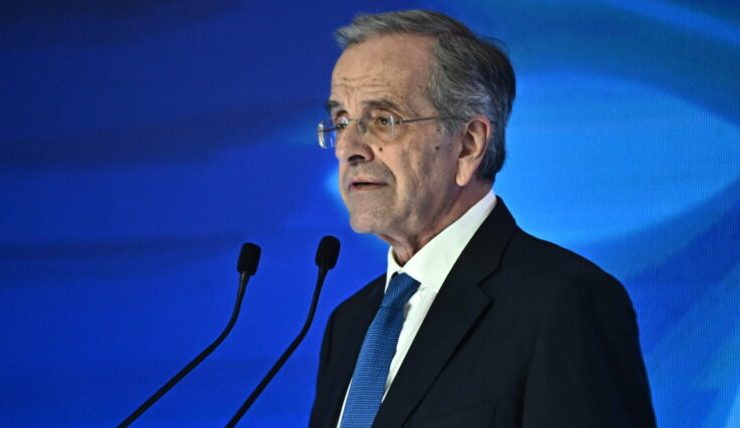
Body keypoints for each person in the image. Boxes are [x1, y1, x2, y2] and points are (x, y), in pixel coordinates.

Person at [310, 10, 655, 427]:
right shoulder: (348, 324)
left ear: (468, 145)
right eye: (341, 121)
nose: (347, 147)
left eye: (384, 120)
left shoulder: (564, 303)